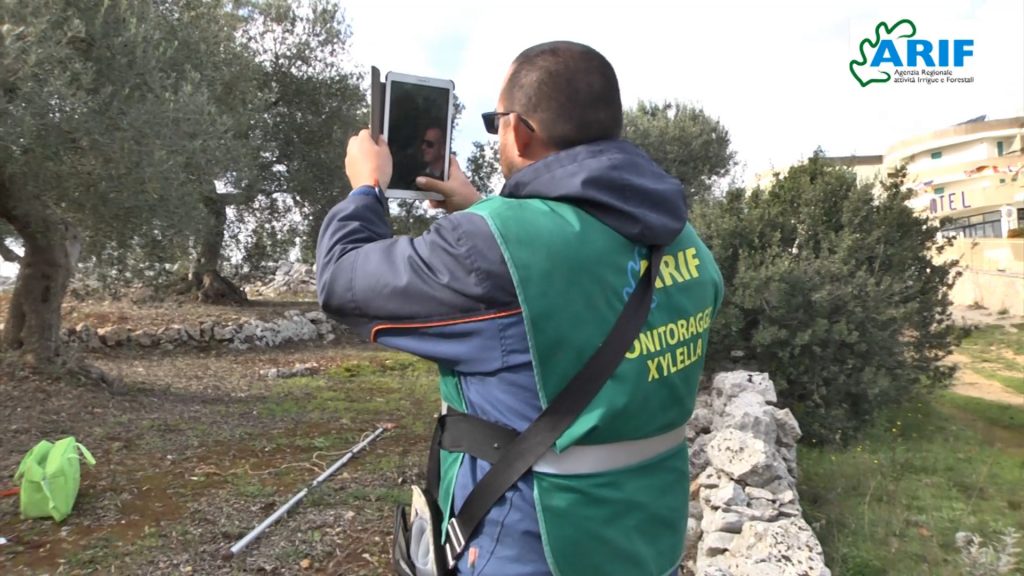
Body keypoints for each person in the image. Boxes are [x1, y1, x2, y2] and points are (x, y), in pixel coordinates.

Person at [317, 41, 724, 576]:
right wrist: (482, 208)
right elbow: (576, 264)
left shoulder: (491, 250)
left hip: (535, 547)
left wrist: (366, 187)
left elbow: (343, 280)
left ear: (520, 131)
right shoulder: (687, 244)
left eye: (496, 121)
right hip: (648, 543)